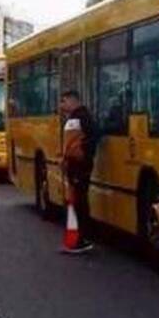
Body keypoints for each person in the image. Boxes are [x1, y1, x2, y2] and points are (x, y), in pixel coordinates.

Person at [60, 90, 98, 253]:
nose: (61, 105)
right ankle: (77, 239)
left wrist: (82, 153)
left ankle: (83, 239)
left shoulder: (83, 117)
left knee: (80, 202)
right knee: (75, 201)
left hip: (79, 166)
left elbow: (92, 137)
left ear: (73, 100)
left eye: (64, 101)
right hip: (73, 165)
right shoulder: (74, 117)